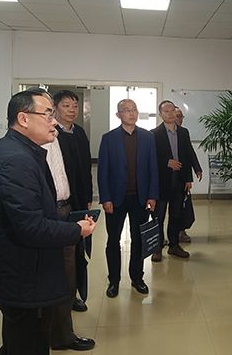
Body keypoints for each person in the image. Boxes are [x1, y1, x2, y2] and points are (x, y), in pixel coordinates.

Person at [0, 90, 96, 355]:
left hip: (23, 270)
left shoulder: (22, 151)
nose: (54, 121)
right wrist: (76, 229)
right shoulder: (16, 160)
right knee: (28, 340)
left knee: (18, 339)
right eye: (48, 114)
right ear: (23, 119)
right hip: (21, 275)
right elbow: (31, 226)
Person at [98, 99, 159, 298]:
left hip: (140, 198)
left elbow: (153, 168)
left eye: (134, 109)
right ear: (118, 115)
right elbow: (102, 171)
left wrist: (152, 195)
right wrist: (105, 198)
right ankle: (113, 281)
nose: (131, 113)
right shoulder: (109, 138)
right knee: (113, 240)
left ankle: (137, 278)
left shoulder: (148, 137)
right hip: (115, 199)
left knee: (138, 239)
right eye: (126, 110)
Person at [52, 90, 93, 313]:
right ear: (55, 108)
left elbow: (86, 169)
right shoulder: (51, 135)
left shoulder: (79, 133)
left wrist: (88, 197)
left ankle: (73, 294)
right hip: (59, 202)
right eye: (66, 106)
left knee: (77, 251)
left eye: (75, 106)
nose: (71, 110)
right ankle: (58, 296)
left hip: (78, 201)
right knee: (59, 252)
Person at [151, 100, 194, 261]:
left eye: (172, 111)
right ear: (160, 114)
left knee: (176, 215)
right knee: (159, 217)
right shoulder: (154, 134)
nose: (170, 114)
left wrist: (189, 178)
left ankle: (174, 246)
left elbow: (187, 155)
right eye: (166, 111)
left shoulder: (183, 132)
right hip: (161, 182)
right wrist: (166, 162)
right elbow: (150, 158)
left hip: (179, 181)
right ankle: (157, 248)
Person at [174, 106, 203, 243]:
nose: (179, 119)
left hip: (181, 177)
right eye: (177, 115)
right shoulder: (157, 133)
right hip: (164, 178)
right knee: (161, 211)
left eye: (181, 116)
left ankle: (181, 231)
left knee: (181, 206)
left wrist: (197, 169)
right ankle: (159, 238)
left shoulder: (184, 132)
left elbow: (190, 153)